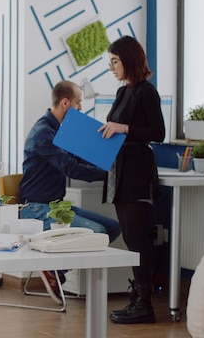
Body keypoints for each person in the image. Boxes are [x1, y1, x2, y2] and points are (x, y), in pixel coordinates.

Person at [19, 80, 122, 304]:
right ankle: (53, 268)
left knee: (112, 228)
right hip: (36, 208)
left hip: (56, 205)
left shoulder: (60, 131)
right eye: (78, 103)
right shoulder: (43, 134)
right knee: (97, 232)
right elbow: (71, 167)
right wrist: (109, 175)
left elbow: (77, 158)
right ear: (65, 103)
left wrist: (110, 161)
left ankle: (56, 268)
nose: (80, 109)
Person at [98, 36, 165, 324]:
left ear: (128, 60)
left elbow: (158, 132)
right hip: (120, 173)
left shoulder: (147, 92)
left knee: (138, 240)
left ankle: (145, 305)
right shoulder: (123, 92)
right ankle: (137, 299)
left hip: (137, 174)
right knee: (130, 238)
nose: (112, 67)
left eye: (115, 61)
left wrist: (122, 127)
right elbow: (117, 130)